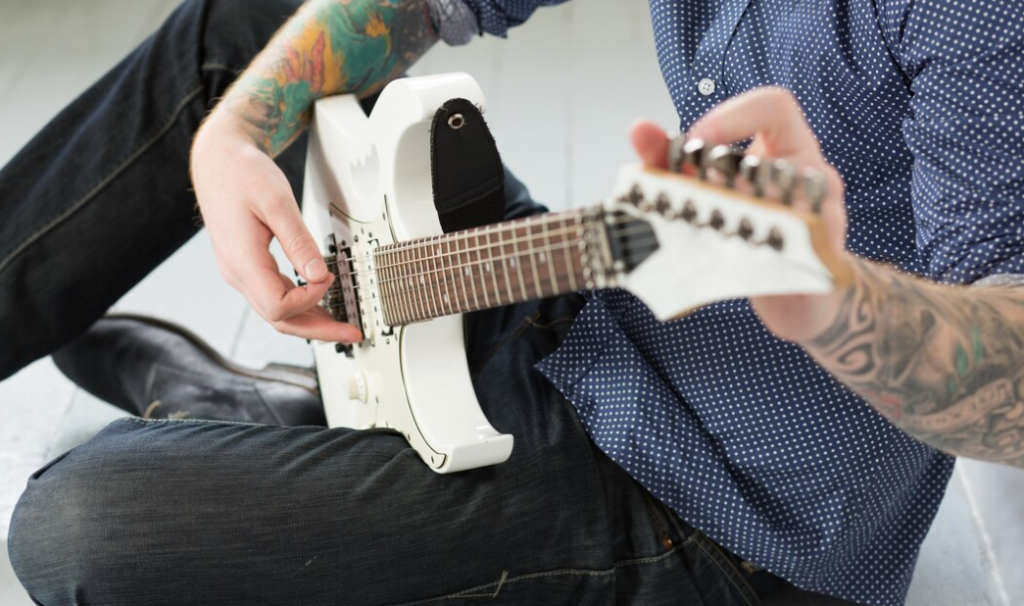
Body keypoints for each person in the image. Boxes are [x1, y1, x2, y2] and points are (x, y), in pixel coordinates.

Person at [2, 1, 1020, 606]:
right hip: (585, 316)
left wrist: (835, 304)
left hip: (724, 528)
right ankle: (274, 413)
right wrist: (234, 135)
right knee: (252, 34)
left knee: (79, 523)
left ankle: (250, 414)